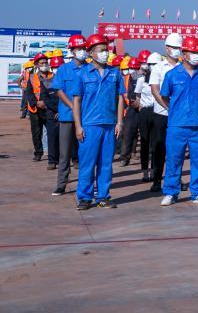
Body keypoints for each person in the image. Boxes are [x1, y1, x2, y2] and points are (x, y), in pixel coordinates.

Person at [71, 34, 125, 209]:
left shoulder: (114, 73)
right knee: (87, 163)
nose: (105, 53)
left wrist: (119, 122)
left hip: (109, 125)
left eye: (106, 49)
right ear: (91, 52)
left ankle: (103, 196)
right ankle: (85, 197)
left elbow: (120, 98)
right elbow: (77, 101)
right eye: (101, 50)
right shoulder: (82, 74)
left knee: (106, 163)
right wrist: (78, 126)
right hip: (90, 125)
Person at [159, 37, 198, 206]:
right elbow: (164, 96)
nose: (196, 55)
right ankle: (170, 192)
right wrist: (176, 110)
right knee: (174, 160)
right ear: (184, 54)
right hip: (177, 125)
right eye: (193, 52)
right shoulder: (172, 75)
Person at [52, 34, 87, 195]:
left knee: (86, 153)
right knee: (64, 153)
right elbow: (58, 91)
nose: (82, 51)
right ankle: (61, 184)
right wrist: (73, 107)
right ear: (72, 51)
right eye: (79, 49)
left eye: (83, 48)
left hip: (86, 118)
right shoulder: (63, 69)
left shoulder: (90, 69)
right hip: (67, 117)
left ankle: (87, 184)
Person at [148, 32, 182, 192]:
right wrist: (169, 107)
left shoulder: (183, 67)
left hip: (179, 117)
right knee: (159, 148)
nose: (177, 50)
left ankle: (176, 180)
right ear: (167, 48)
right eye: (174, 47)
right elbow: (155, 90)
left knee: (177, 150)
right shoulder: (159, 67)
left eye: (179, 48)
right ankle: (156, 180)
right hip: (162, 114)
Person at [24, 52, 58, 167]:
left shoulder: (53, 76)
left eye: (45, 62)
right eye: (42, 63)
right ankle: (38, 152)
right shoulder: (32, 77)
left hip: (49, 109)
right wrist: (35, 102)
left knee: (52, 133)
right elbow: (28, 92)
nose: (44, 64)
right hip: (35, 109)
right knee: (36, 133)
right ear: (37, 65)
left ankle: (53, 155)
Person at [129, 52, 156, 183]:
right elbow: (138, 98)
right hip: (145, 112)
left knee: (156, 143)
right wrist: (138, 106)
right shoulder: (140, 81)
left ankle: (155, 171)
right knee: (145, 142)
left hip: (157, 112)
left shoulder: (159, 79)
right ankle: (145, 172)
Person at [119, 56, 143, 166]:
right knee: (127, 133)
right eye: (131, 68)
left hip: (143, 108)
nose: (133, 70)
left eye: (135, 68)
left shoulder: (144, 77)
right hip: (130, 108)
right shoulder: (125, 79)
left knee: (145, 134)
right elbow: (122, 95)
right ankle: (125, 157)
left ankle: (145, 157)